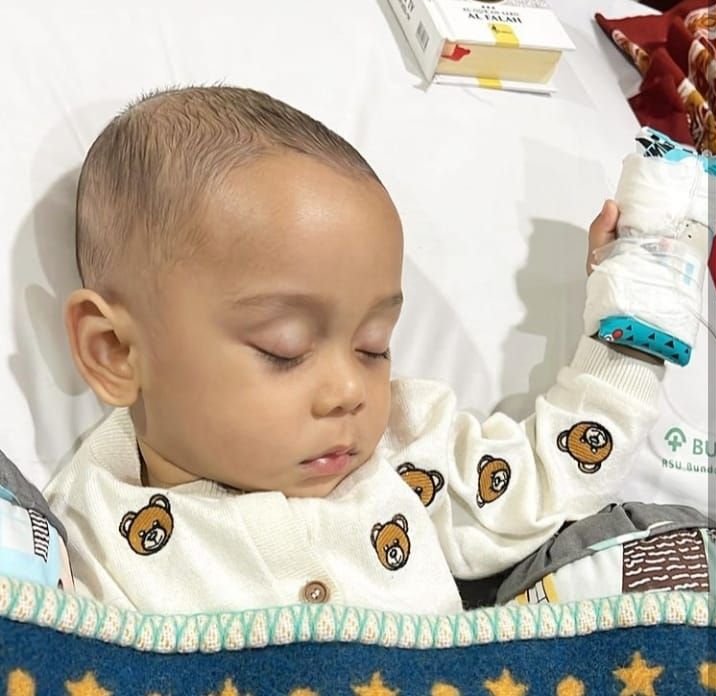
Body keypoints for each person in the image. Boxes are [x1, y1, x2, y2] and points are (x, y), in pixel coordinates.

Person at [44, 86, 670, 615]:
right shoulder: (89, 530)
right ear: (115, 351)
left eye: (374, 347)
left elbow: (550, 475)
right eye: (285, 350)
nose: (349, 391)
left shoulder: (405, 450)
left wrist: (634, 314)